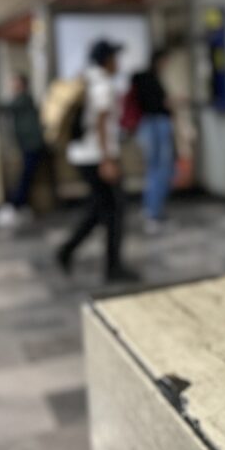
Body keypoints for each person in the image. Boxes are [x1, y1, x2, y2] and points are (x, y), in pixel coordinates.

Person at [56, 40, 139, 283]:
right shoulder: (102, 84)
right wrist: (108, 160)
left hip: (82, 154)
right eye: (116, 58)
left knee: (100, 208)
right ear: (107, 60)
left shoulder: (85, 79)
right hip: (96, 156)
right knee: (114, 210)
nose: (118, 64)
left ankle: (67, 250)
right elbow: (102, 122)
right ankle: (113, 267)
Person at [0, 73, 45, 228]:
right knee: (26, 176)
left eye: (14, 82)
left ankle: (16, 206)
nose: (12, 85)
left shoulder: (24, 99)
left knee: (25, 177)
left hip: (32, 144)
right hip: (27, 144)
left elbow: (6, 107)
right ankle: (22, 207)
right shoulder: (22, 99)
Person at [132, 49, 175, 234]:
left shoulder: (141, 78)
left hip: (148, 126)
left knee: (154, 170)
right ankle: (153, 213)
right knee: (160, 170)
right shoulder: (149, 79)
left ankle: (151, 209)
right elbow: (157, 103)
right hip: (156, 125)